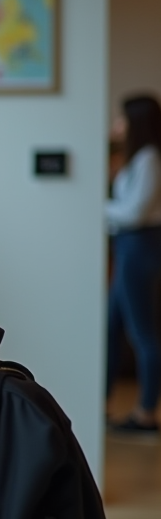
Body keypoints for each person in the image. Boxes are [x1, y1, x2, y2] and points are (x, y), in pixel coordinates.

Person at [105, 94, 161, 433]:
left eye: (122, 119)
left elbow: (135, 212)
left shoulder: (150, 159)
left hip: (140, 245)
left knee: (142, 333)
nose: (117, 125)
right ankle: (103, 403)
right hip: (129, 245)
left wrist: (96, 206)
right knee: (110, 328)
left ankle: (146, 413)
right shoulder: (137, 158)